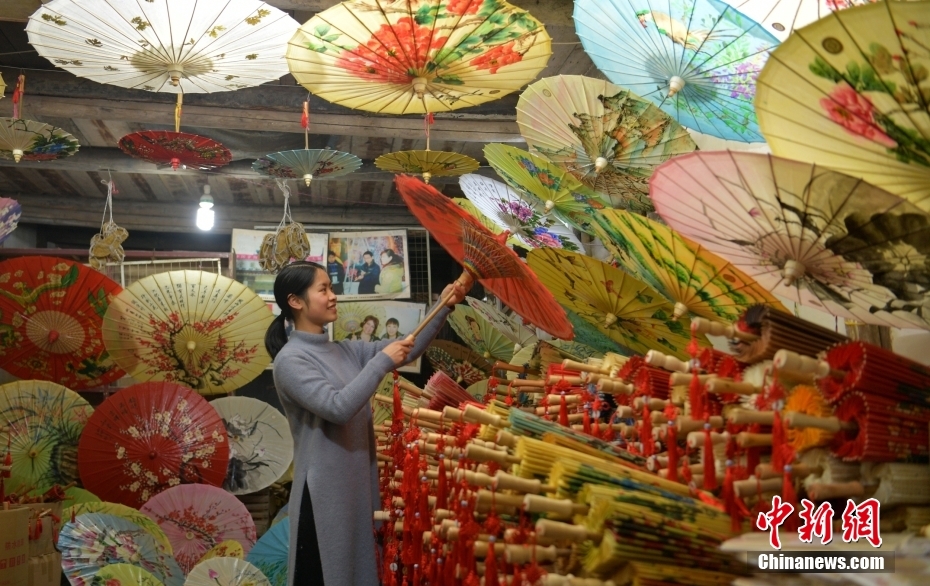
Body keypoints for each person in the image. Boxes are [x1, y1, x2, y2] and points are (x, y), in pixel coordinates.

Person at [265, 261, 471, 586]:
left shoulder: (345, 350)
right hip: (324, 495)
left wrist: (443, 305)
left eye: (331, 287)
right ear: (295, 301)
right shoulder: (290, 361)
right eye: (323, 289)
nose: (333, 296)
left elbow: (407, 347)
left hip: (357, 484)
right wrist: (380, 363)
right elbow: (338, 407)